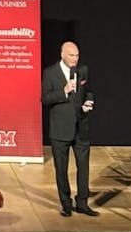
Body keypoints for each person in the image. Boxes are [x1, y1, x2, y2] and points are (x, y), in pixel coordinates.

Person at [42, 41, 98, 217]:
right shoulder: (50, 73)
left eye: (77, 55)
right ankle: (66, 204)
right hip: (60, 130)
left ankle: (82, 202)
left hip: (81, 127)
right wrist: (64, 91)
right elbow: (45, 99)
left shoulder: (83, 70)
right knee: (61, 170)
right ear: (62, 55)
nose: (75, 59)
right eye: (72, 55)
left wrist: (89, 101)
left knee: (84, 168)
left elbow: (88, 90)